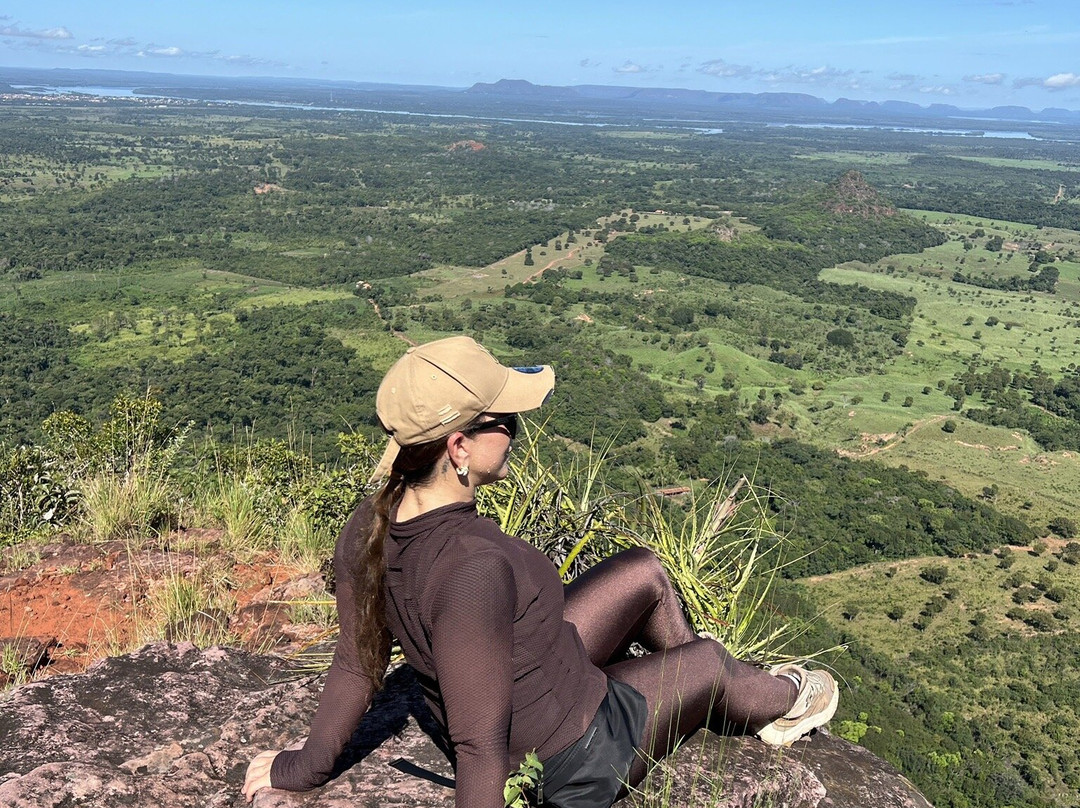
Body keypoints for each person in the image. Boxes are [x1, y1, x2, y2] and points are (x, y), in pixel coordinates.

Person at [243, 336, 837, 808]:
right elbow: (479, 747)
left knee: (645, 571)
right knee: (707, 660)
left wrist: (305, 766)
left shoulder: (369, 523)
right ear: (458, 448)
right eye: (505, 421)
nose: (515, 433)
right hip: (571, 752)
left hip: (545, 678)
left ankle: (694, 699)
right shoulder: (471, 565)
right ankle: (786, 700)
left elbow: (357, 665)